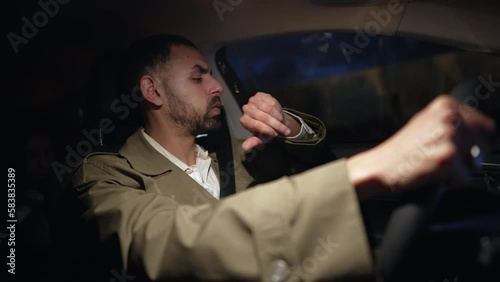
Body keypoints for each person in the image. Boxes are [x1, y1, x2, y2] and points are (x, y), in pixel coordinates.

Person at [65, 34, 497, 282]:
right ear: (152, 91)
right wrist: (372, 167)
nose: (216, 87)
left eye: (213, 74)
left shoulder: (236, 156)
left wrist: (290, 126)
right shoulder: (105, 173)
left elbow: (314, 171)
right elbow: (164, 240)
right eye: (199, 77)